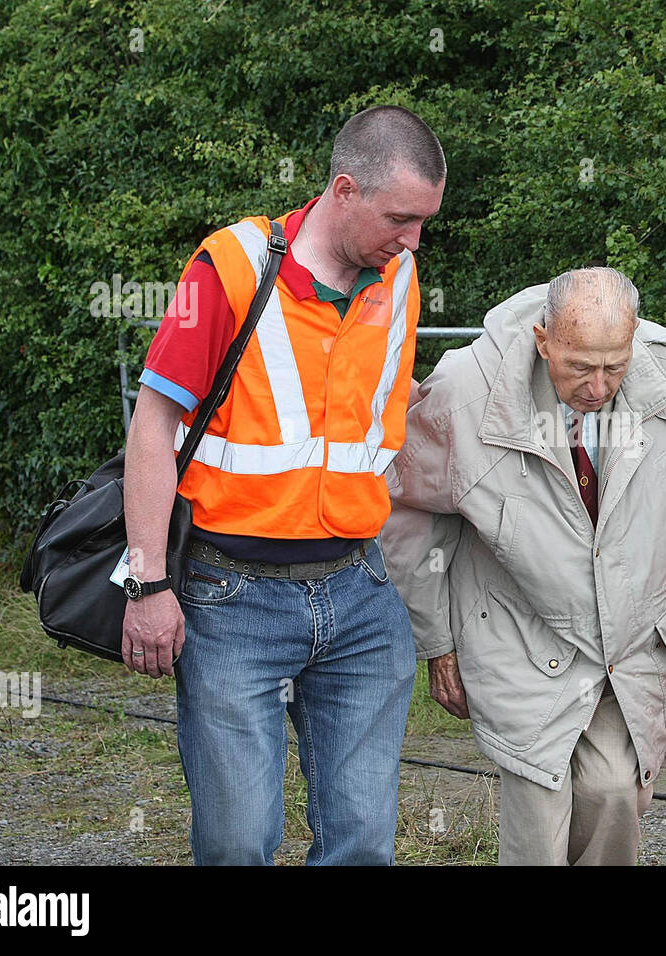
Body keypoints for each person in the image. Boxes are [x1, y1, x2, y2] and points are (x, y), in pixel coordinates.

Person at [120, 105, 446, 865]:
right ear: (343, 190)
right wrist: (148, 583)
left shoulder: (397, 278)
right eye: (400, 218)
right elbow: (152, 426)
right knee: (237, 844)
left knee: (363, 842)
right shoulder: (228, 265)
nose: (413, 240)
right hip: (231, 596)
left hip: (359, 590)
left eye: (425, 221)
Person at [380, 267, 666, 865]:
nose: (599, 386)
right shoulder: (465, 393)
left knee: (614, 793)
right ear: (542, 339)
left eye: (615, 364)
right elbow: (405, 508)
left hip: (629, 643)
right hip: (519, 632)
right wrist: (436, 640)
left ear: (634, 335)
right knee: (539, 812)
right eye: (579, 366)